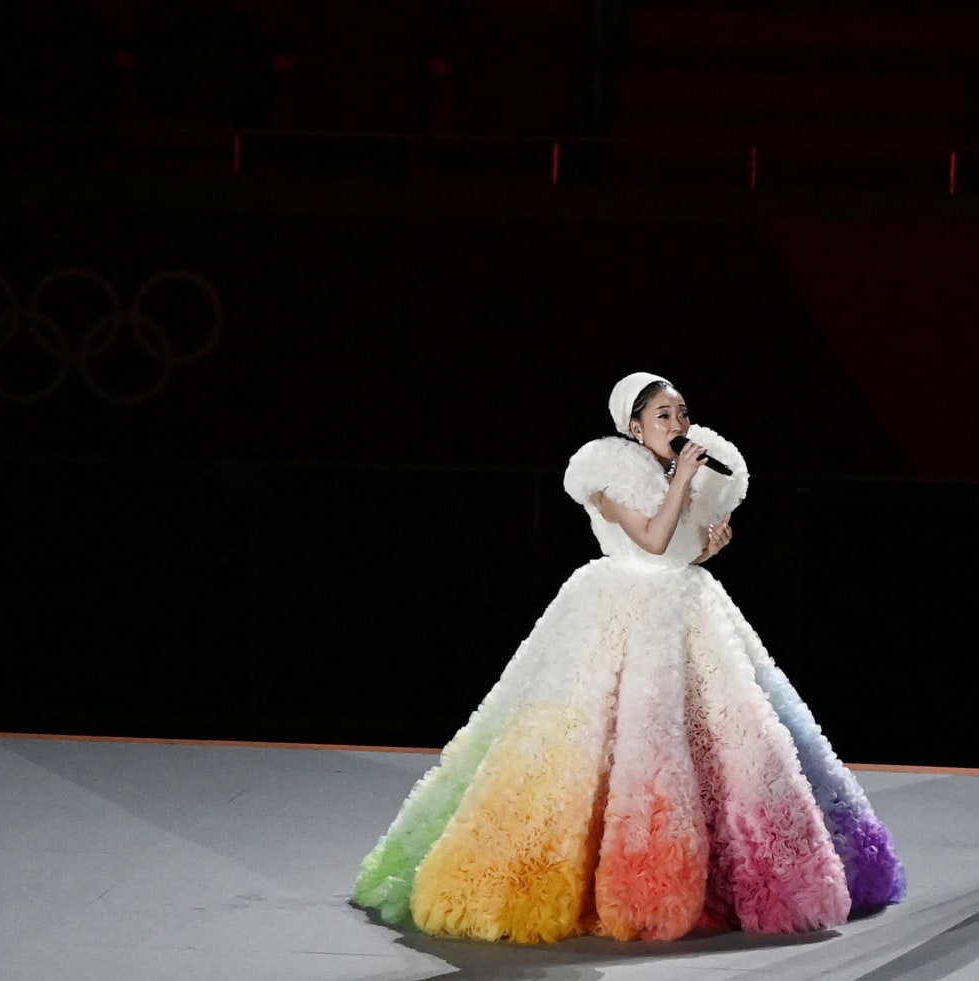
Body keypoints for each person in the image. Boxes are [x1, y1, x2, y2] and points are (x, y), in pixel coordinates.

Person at [351, 372, 905, 943]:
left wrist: (708, 547)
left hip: (685, 611)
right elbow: (653, 539)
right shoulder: (606, 475)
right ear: (634, 427)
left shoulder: (684, 474)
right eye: (663, 415)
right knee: (597, 742)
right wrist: (683, 483)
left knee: (722, 740)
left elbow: (679, 552)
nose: (678, 424)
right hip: (618, 613)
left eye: (682, 412)